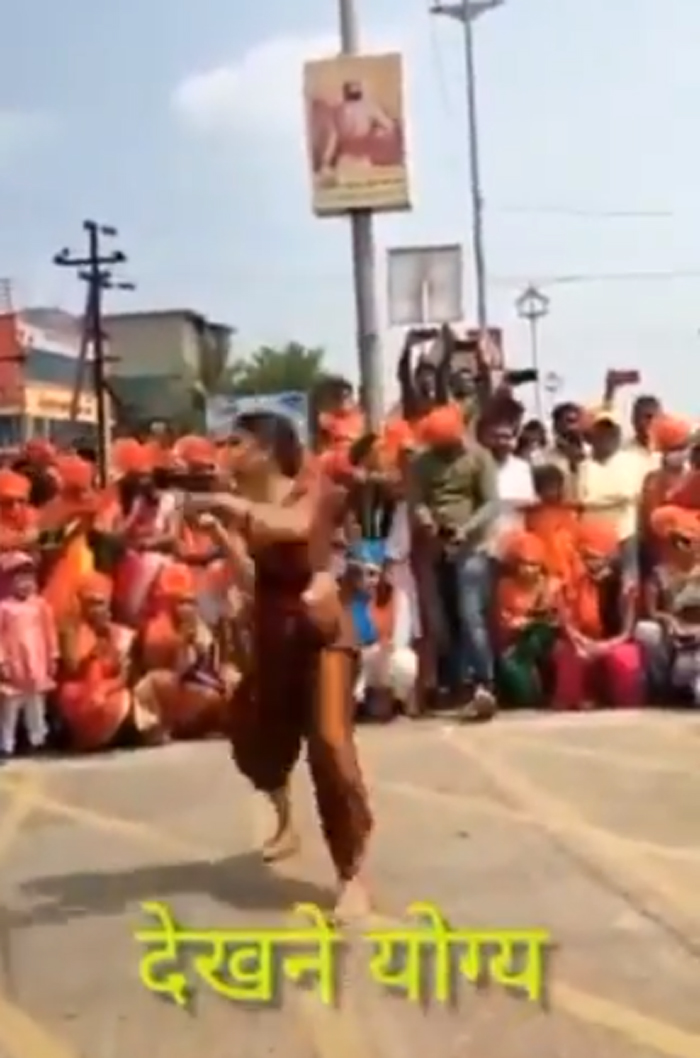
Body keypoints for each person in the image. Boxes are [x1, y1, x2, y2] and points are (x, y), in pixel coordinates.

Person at [187, 411, 373, 918]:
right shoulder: (246, 509)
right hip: (275, 635)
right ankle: (284, 815)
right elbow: (251, 580)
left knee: (331, 744)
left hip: (325, 634)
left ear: (266, 449)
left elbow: (296, 526)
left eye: (236, 442)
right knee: (255, 732)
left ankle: (352, 872)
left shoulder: (314, 488)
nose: (225, 451)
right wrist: (222, 534)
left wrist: (224, 503)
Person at [409, 403, 499, 718]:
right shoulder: (422, 463)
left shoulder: (479, 457)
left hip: (472, 547)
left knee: (470, 613)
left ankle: (485, 681)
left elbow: (491, 504)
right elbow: (417, 500)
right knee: (444, 622)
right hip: (436, 549)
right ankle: (457, 685)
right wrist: (427, 521)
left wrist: (466, 529)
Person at [56, 572, 159, 751]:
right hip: (79, 690)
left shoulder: (123, 635)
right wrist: (92, 649)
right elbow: (72, 666)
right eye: (90, 603)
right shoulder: (71, 632)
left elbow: (125, 674)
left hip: (111, 688)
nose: (95, 609)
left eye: (100, 603)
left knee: (126, 698)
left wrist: (106, 689)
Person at [551, 521, 643, 709]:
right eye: (587, 557)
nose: (594, 564)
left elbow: (627, 630)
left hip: (613, 642)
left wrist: (604, 646)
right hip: (579, 642)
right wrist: (583, 643)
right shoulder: (569, 582)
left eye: (600, 558)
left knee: (625, 658)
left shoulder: (625, 586)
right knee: (568, 655)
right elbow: (566, 624)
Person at [0, 552, 58, 759]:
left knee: (36, 704)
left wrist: (53, 656)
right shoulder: (4, 608)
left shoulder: (40, 606)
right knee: (10, 706)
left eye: (29, 579)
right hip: (14, 664)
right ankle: (6, 744)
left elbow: (49, 633)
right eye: (19, 579)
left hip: (36, 662)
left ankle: (38, 739)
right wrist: (2, 661)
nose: (25, 584)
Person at [494, 532, 561, 707]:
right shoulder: (505, 586)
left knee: (535, 639)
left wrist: (537, 620)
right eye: (523, 564)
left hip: (546, 637)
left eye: (533, 564)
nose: (528, 569)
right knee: (510, 662)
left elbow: (559, 619)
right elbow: (502, 621)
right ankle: (530, 700)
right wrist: (516, 623)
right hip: (516, 639)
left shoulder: (552, 585)